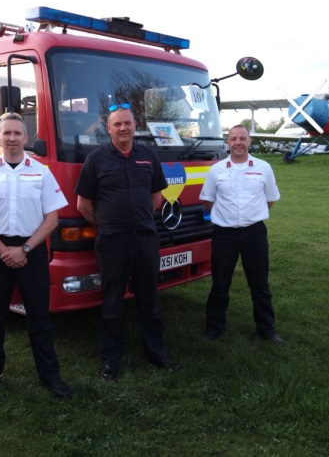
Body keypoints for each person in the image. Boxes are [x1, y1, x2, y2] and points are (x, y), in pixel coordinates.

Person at [0, 112, 72, 399]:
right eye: (6, 133)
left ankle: (50, 378)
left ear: (26, 138)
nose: (12, 138)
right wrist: (5, 251)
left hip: (32, 251)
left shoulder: (41, 172)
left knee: (39, 318)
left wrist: (24, 249)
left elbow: (52, 219)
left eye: (17, 133)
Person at [75, 103, 181, 381]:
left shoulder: (148, 156)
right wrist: (106, 225)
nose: (123, 128)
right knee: (112, 303)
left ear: (135, 126)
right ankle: (111, 361)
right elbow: (83, 204)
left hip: (145, 240)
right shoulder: (95, 160)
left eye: (127, 123)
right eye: (117, 124)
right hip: (112, 243)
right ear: (108, 129)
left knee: (149, 301)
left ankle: (157, 354)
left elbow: (156, 197)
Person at [199, 125, 283, 344]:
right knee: (220, 284)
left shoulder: (263, 167)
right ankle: (214, 328)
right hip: (224, 235)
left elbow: (270, 199)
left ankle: (267, 330)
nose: (238, 142)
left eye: (242, 138)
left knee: (260, 284)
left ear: (249, 141)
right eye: (233, 138)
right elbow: (208, 200)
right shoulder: (216, 170)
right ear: (228, 142)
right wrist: (227, 217)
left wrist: (250, 215)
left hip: (254, 233)